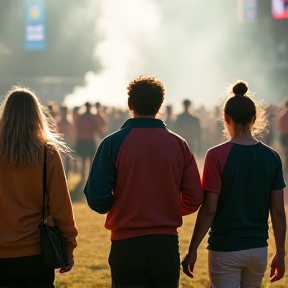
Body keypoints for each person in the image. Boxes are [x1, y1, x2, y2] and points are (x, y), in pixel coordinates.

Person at [84, 75, 203, 288]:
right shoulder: (178, 144)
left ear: (130, 105)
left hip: (126, 242)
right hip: (165, 242)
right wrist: (169, 209)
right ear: (160, 106)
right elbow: (194, 197)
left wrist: (123, 206)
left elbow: (96, 198)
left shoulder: (112, 143)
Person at [182, 80, 286, 288]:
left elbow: (210, 208)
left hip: (225, 248)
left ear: (225, 118)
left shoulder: (216, 155)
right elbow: (278, 211)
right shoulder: (272, 156)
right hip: (258, 249)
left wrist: (193, 249)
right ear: (255, 119)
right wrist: (281, 254)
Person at [0, 86, 78, 288]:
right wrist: (69, 244)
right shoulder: (47, 153)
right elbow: (61, 205)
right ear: (37, 115)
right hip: (36, 252)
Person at [74, 102, 97, 180]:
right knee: (90, 158)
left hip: (83, 139)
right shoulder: (92, 116)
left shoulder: (81, 116)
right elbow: (97, 127)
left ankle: (84, 175)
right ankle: (88, 175)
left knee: (84, 159)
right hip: (89, 139)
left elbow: (77, 126)